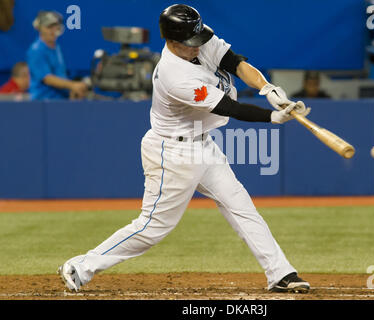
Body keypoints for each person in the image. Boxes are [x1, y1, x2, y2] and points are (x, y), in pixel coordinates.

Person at [58, 4, 311, 294]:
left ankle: (281, 273)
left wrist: (267, 88)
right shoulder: (174, 75)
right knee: (152, 227)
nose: (197, 47)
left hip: (203, 144)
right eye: (190, 44)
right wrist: (272, 116)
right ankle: (80, 266)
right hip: (173, 154)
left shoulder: (197, 38)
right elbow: (228, 107)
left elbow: (234, 62)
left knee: (241, 205)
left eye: (198, 40)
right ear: (171, 41)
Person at [26, 10, 87, 100]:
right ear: (40, 28)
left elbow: (60, 74)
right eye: (49, 27)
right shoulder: (36, 50)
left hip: (60, 100)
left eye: (56, 27)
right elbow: (47, 78)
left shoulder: (56, 47)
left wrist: (73, 90)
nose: (54, 30)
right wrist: (72, 85)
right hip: (42, 102)